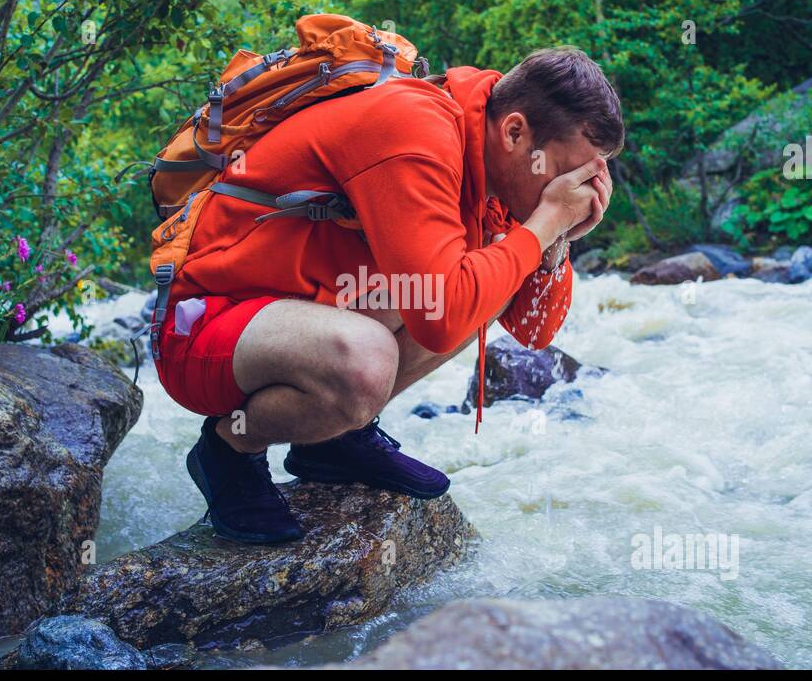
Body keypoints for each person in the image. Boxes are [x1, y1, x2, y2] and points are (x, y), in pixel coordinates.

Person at [154, 46, 624, 543]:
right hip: (205, 327)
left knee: (492, 279)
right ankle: (229, 449)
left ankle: (333, 441)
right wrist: (546, 221)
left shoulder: (495, 167)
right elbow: (442, 317)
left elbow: (532, 330)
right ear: (514, 132)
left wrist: (557, 240)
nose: (575, 192)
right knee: (370, 357)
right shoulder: (414, 127)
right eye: (567, 174)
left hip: (302, 316)